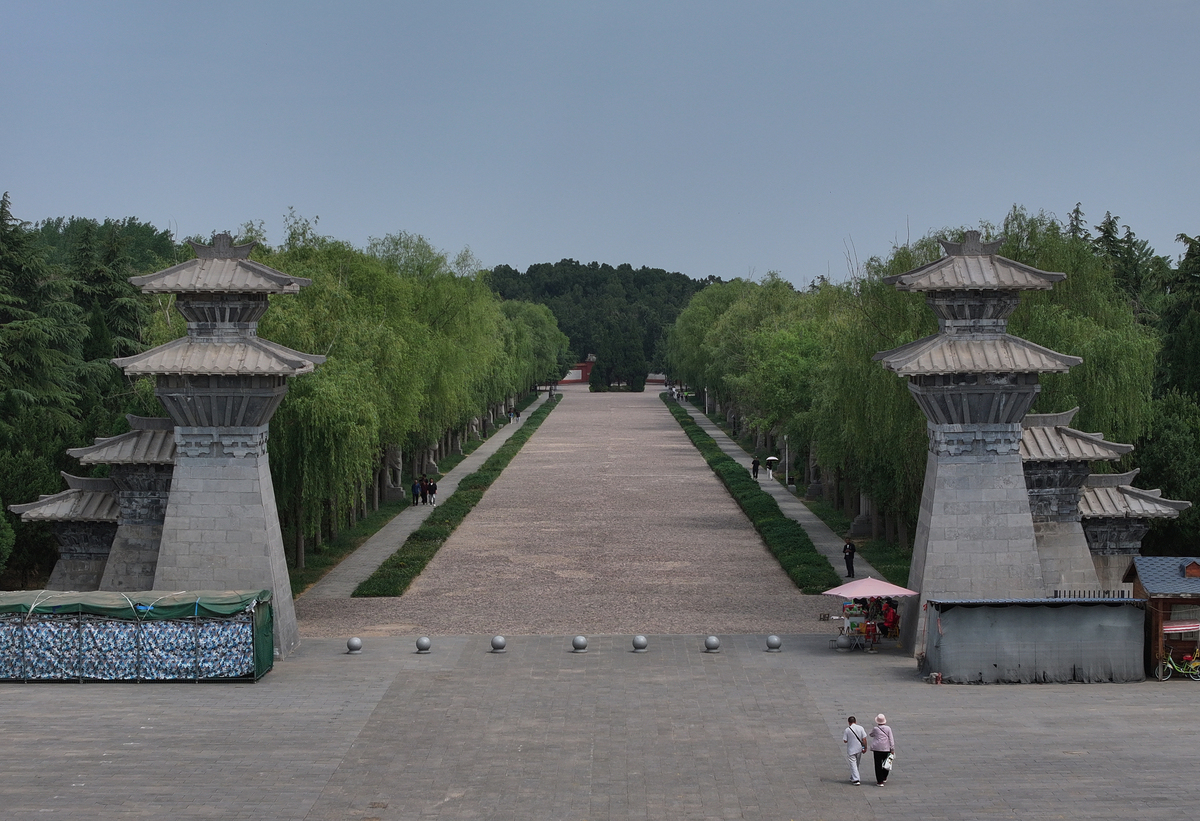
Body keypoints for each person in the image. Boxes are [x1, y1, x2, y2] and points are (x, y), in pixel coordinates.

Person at [868, 714, 895, 786]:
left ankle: (879, 781)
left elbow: (871, 734)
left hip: (877, 749)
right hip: (886, 748)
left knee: (878, 765)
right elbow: (891, 739)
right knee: (887, 763)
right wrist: (892, 749)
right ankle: (884, 776)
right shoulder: (888, 728)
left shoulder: (875, 728)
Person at [842, 716, 867, 785]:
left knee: (853, 764)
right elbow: (864, 739)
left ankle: (856, 779)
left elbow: (845, 740)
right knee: (857, 763)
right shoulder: (861, 728)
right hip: (859, 749)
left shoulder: (847, 730)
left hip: (851, 749)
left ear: (849, 722)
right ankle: (853, 776)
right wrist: (865, 747)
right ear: (855, 721)